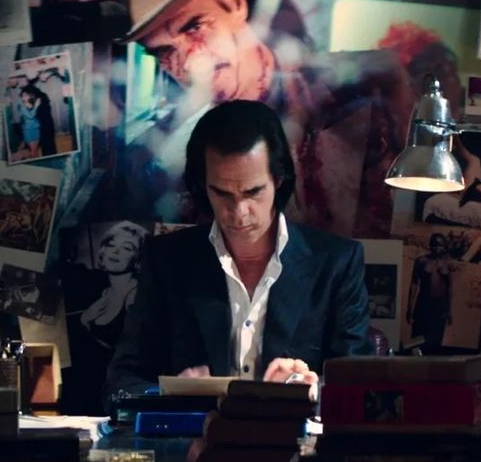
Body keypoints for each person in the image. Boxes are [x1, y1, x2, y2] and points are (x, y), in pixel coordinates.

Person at [103, 100, 372, 409]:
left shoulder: (336, 263)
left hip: (291, 437)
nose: (238, 212)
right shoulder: (167, 260)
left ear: (278, 180)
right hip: (194, 437)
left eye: (253, 192)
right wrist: (171, 397)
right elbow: (120, 385)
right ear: (202, 186)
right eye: (221, 193)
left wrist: (312, 393)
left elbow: (359, 391)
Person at [114, 0, 411, 238]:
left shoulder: (367, 88)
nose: (190, 65)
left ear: (234, 4)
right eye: (164, 52)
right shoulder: (180, 160)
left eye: (195, 27)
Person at [61, 220, 150, 415]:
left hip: (118, 400)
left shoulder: (136, 297)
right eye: (111, 244)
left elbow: (131, 353)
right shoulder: (103, 290)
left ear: (138, 258)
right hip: (87, 397)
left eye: (127, 248)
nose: (115, 252)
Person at [406, 233, 458, 351]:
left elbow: (449, 287)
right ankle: (416, 360)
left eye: (440, 245)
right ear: (430, 246)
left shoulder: (448, 263)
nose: (437, 248)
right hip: (423, 303)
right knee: (417, 338)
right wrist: (410, 308)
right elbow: (414, 284)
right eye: (434, 245)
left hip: (440, 306)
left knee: (435, 340)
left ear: (444, 247)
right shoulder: (421, 261)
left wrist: (449, 310)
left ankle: (432, 359)